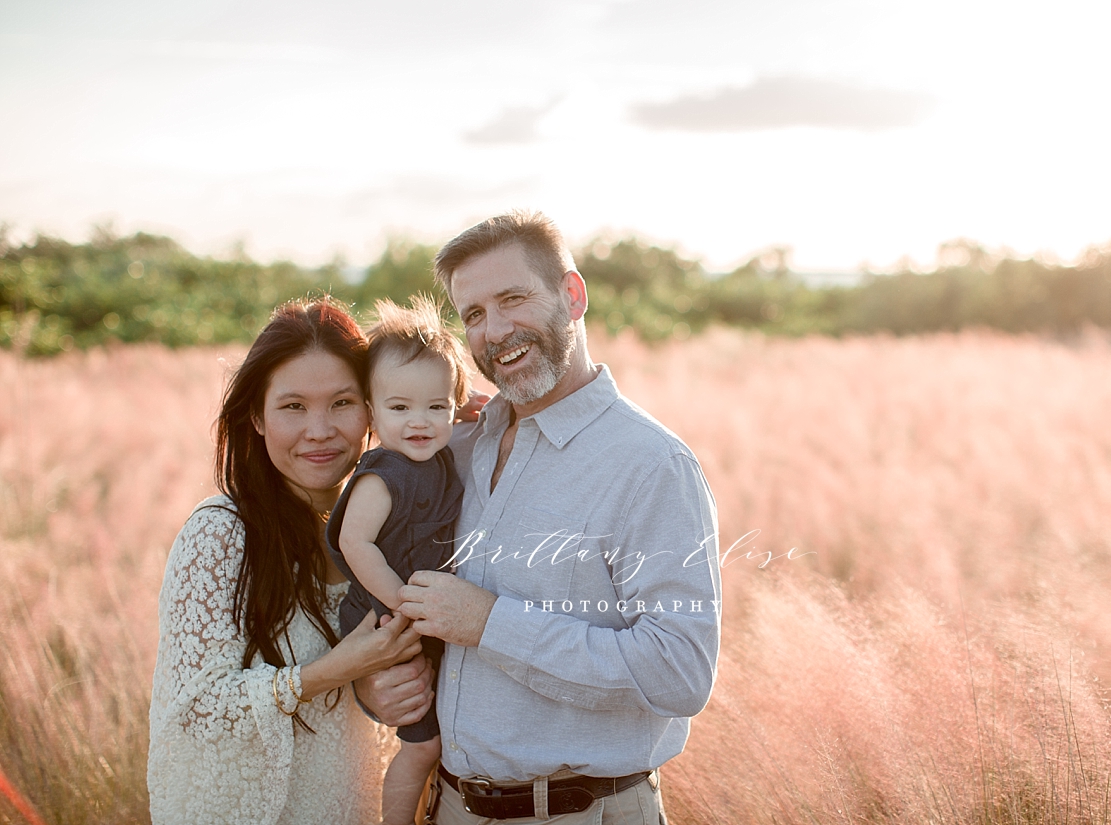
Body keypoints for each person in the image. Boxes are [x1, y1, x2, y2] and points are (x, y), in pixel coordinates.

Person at [395, 211, 723, 824]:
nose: (494, 331)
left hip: (579, 813)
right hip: (449, 808)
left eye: (512, 299)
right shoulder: (463, 446)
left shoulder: (651, 465)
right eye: (473, 315)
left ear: (571, 296)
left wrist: (491, 624)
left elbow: (681, 671)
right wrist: (379, 687)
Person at [147, 297, 437, 825]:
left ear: (373, 407)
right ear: (257, 416)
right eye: (294, 406)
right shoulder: (221, 533)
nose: (320, 430)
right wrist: (336, 671)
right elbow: (193, 712)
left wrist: (369, 688)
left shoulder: (387, 533)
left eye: (342, 403)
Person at [324, 296, 470, 825]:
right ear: (371, 409)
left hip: (422, 616)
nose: (420, 422)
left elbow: (454, 403)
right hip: (386, 616)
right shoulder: (383, 473)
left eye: (436, 407)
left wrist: (463, 404)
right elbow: (354, 545)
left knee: (445, 735)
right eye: (399, 407)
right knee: (422, 745)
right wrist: (401, 603)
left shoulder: (438, 456)